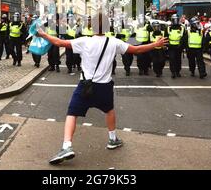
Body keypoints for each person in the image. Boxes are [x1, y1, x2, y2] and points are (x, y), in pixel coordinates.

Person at [37, 11, 168, 165]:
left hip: (85, 86)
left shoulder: (84, 41)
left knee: (72, 113)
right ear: (108, 27)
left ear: (91, 26)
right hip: (104, 86)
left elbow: (59, 43)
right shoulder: (114, 42)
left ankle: (67, 146)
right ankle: (112, 139)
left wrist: (43, 34)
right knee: (109, 110)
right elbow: (137, 50)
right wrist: (155, 44)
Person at [167, 14, 186, 79]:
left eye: (176, 20)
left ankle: (177, 71)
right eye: (174, 20)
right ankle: (173, 72)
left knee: (178, 59)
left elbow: (184, 37)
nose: (175, 21)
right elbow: (166, 37)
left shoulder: (182, 27)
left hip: (178, 47)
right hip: (171, 46)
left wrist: (181, 45)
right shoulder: (168, 27)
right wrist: (168, 44)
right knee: (172, 59)